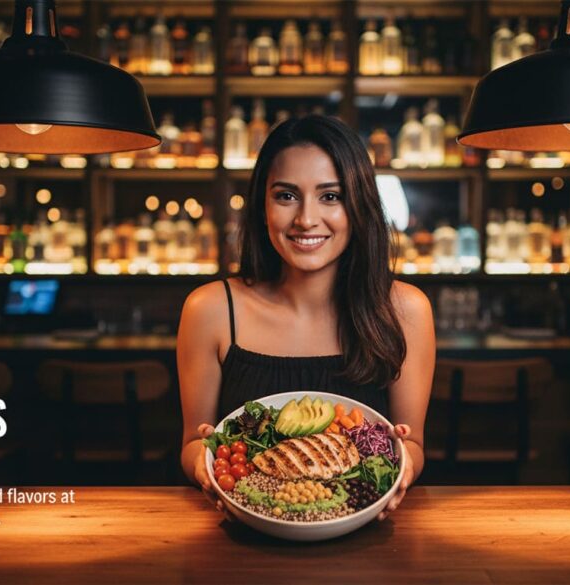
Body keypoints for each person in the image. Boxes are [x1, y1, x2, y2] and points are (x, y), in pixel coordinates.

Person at [177, 114, 434, 521]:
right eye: (286, 196)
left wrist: (403, 471)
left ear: (358, 206)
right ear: (262, 206)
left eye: (330, 196)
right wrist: (204, 467)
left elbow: (412, 443)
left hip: (367, 549)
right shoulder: (209, 309)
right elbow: (195, 441)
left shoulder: (406, 310)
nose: (306, 219)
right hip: (243, 547)